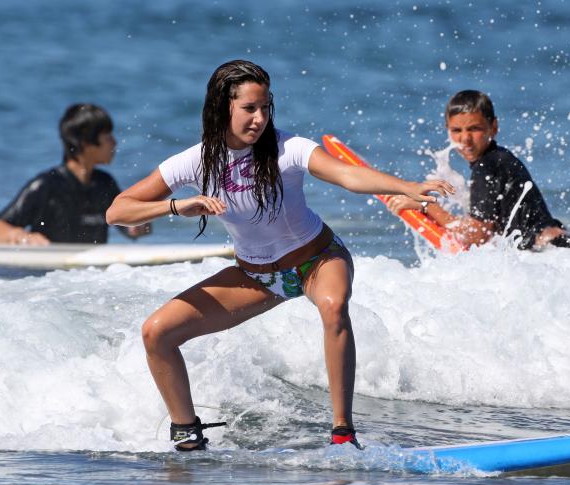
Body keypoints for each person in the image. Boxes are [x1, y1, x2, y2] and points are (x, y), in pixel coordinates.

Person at [106, 60, 453, 450]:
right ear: (223, 107)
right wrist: (175, 207)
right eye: (250, 109)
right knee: (157, 332)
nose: (260, 118)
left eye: (266, 107)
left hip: (317, 260)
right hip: (256, 277)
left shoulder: (289, 148)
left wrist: (406, 185)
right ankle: (187, 434)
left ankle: (343, 433)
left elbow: (346, 175)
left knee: (333, 306)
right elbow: (118, 210)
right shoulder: (195, 161)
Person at [387, 90, 570, 250]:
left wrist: (426, 206)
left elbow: (478, 234)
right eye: (456, 130)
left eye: (474, 129)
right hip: (561, 250)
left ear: (494, 127)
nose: (465, 139)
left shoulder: (487, 166)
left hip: (553, 251)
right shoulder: (499, 158)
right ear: (447, 130)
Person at [0, 103, 150, 245]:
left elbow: (129, 227)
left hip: (92, 277)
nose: (114, 142)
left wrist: (140, 225)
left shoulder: (105, 184)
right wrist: (21, 237)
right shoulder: (46, 185)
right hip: (49, 277)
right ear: (86, 141)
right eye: (107, 136)